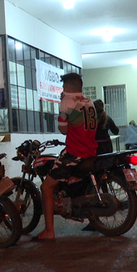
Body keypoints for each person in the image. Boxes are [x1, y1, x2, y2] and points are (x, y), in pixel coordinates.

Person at [33, 72, 98, 241]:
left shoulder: (67, 102)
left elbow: (63, 129)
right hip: (90, 150)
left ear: (67, 88)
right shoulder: (89, 102)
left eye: (63, 87)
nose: (62, 89)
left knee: (46, 187)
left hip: (75, 152)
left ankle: (49, 231)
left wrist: (62, 105)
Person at [81, 99, 119, 231]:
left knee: (93, 178)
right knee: (103, 174)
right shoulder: (107, 118)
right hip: (107, 149)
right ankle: (106, 196)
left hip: (95, 150)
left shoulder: (91, 120)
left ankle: (96, 212)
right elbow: (116, 131)